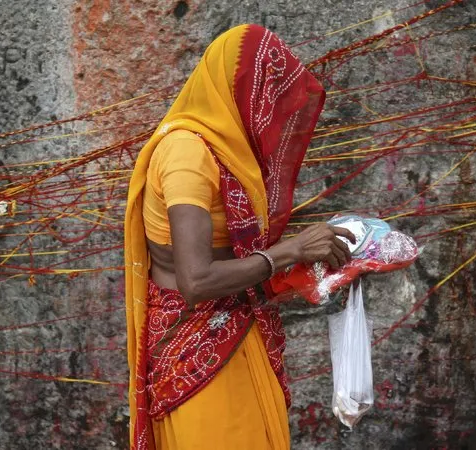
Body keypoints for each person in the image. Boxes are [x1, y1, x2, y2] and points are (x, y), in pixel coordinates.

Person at [124, 24, 356, 450]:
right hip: (196, 355)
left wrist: (322, 262)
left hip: (235, 335)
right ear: (234, 91)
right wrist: (292, 250)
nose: (270, 112)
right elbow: (197, 281)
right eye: (263, 95)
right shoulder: (187, 154)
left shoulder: (225, 149)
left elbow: (236, 254)